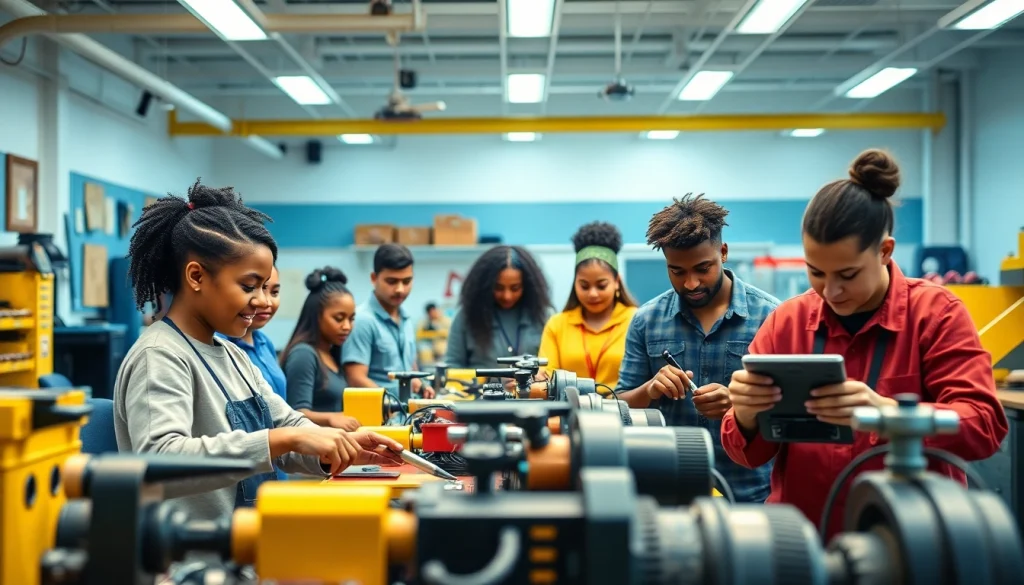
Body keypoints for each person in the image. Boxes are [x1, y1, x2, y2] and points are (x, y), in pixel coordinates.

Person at [722, 149, 1008, 534]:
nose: (831, 291)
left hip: (912, 541)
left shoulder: (936, 315)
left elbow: (985, 425)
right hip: (806, 541)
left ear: (885, 251)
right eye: (816, 272)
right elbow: (747, 454)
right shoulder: (787, 323)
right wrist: (745, 414)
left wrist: (889, 414)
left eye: (848, 274)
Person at [113, 180, 403, 521]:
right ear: (196, 276)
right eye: (249, 286)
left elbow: (286, 422)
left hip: (245, 538)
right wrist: (283, 439)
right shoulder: (159, 355)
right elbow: (161, 458)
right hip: (188, 548)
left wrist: (343, 444)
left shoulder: (233, 355)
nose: (263, 301)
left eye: (267, 288)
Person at [614, 195, 778, 503]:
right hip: (671, 494)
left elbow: (791, 414)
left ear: (723, 252)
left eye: (703, 268)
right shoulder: (646, 320)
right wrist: (649, 390)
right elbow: (619, 407)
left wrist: (739, 407)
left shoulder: (770, 317)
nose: (691, 283)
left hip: (750, 495)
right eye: (677, 271)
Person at [538, 222, 637, 392]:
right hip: (569, 407)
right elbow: (545, 380)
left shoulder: (636, 321)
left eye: (601, 285)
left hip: (622, 407)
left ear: (617, 282)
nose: (592, 294)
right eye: (584, 286)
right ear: (575, 283)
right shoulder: (557, 325)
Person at [342, 243, 436, 398]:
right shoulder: (362, 320)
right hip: (379, 412)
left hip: (407, 410)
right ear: (374, 278)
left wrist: (421, 384)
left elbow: (409, 368)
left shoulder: (406, 319)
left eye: (406, 281)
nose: (400, 289)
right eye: (392, 281)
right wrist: (393, 400)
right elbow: (356, 379)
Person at [279, 267, 361, 431]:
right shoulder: (303, 354)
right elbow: (296, 414)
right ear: (317, 316)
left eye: (351, 319)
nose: (347, 326)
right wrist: (331, 418)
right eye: (338, 318)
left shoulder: (331, 354)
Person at [446, 245, 552, 370]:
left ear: (527, 285)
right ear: (485, 285)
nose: (507, 296)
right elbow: (452, 365)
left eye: (515, 288)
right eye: (498, 288)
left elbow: (552, 366)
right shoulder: (466, 317)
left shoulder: (545, 317)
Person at [218, 266, 287, 402]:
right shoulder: (218, 344)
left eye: (274, 292)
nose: (266, 302)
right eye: (250, 288)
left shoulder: (265, 342)